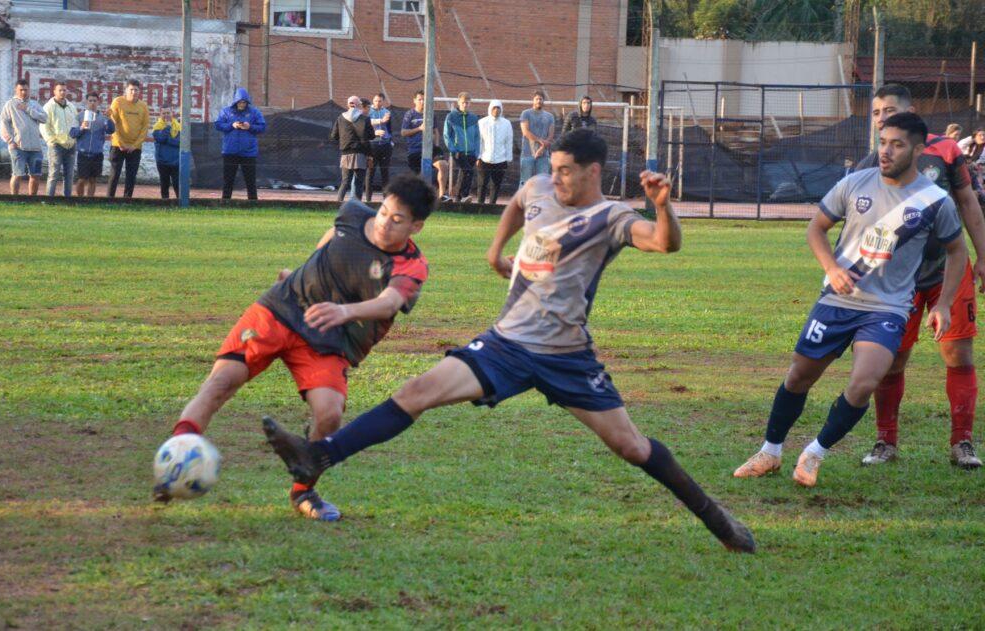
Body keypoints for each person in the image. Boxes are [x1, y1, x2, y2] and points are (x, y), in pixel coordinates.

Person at [262, 130, 756, 553]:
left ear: (593, 172)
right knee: (416, 393)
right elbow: (520, 203)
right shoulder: (541, 185)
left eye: (566, 170)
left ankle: (717, 519)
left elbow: (664, 242)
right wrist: (496, 250)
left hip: (567, 357)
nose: (555, 177)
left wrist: (664, 207)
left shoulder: (611, 217)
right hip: (505, 345)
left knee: (630, 446)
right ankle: (317, 457)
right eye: (553, 168)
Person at [154, 173, 437, 521]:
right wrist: (305, 271)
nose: (384, 223)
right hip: (282, 308)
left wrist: (343, 311)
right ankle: (174, 463)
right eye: (383, 211)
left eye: (397, 220)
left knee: (329, 415)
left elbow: (389, 303)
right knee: (221, 381)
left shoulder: (411, 265)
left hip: (329, 337)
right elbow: (334, 238)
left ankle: (303, 490)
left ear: (416, 227)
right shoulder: (352, 214)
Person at [733, 113, 970, 487]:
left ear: (919, 149)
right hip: (837, 302)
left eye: (897, 144)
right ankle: (770, 451)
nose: (886, 151)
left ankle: (814, 453)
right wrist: (831, 267)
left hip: (888, 309)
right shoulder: (855, 183)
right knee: (798, 377)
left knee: (864, 382)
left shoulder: (935, 200)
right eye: (883, 142)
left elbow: (958, 252)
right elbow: (816, 229)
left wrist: (942, 304)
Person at [852, 85, 985, 469]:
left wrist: (983, 255)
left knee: (958, 354)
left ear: (912, 113)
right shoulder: (869, 165)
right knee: (892, 359)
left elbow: (967, 201)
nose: (881, 117)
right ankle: (885, 442)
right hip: (897, 279)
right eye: (876, 112)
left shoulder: (945, 151)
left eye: (890, 110)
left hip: (948, 269)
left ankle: (963, 443)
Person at [215, 87, 266, 200]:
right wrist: (231, 125)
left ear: (247, 102)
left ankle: (253, 203)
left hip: (248, 153)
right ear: (235, 101)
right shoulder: (226, 111)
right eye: (240, 102)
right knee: (228, 180)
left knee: (250, 181)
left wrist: (250, 127)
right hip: (230, 151)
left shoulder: (254, 112)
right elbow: (218, 125)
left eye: (244, 102)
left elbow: (262, 126)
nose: (242, 104)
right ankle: (225, 203)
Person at [0, 78, 47, 196]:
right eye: (21, 90)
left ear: (29, 90)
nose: (24, 92)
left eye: (26, 90)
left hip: (35, 148)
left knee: (35, 175)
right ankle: (15, 199)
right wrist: (10, 141)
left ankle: (32, 200)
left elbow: (44, 118)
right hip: (18, 147)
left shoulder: (34, 105)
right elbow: (3, 123)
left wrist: (28, 109)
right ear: (16, 90)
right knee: (17, 174)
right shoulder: (10, 104)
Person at [400, 90, 449, 199]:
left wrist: (435, 145)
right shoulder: (409, 114)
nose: (422, 102)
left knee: (444, 165)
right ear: (414, 101)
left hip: (430, 148)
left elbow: (436, 131)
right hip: (415, 150)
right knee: (419, 179)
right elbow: (403, 132)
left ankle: (442, 195)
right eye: (420, 99)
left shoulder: (431, 114)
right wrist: (419, 128)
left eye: (424, 100)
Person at [107, 80, 150, 198]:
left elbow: (145, 127)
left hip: (135, 148)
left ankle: (127, 200)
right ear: (126, 90)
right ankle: (109, 199)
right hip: (118, 146)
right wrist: (121, 143)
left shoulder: (143, 106)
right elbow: (113, 123)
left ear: (139, 92)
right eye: (131, 89)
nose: (133, 92)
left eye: (136, 90)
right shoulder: (118, 102)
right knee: (114, 174)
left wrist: (135, 145)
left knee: (131, 175)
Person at [329, 95, 374, 202]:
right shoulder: (365, 119)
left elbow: (334, 136)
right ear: (359, 105)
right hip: (360, 154)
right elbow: (371, 136)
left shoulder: (340, 118)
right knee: (359, 183)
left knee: (345, 182)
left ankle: (338, 202)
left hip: (345, 153)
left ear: (347, 105)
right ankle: (357, 205)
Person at [70, 92, 115, 198]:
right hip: (83, 153)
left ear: (98, 102)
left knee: (93, 179)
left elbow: (111, 130)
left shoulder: (102, 118)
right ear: (86, 102)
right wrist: (81, 127)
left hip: (97, 153)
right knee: (81, 179)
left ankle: (90, 201)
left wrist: (109, 118)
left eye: (94, 101)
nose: (92, 103)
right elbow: (72, 133)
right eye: (90, 101)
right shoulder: (79, 116)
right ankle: (80, 200)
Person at [40, 81, 79, 198]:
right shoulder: (48, 107)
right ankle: (49, 199)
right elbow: (44, 126)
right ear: (54, 92)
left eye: (64, 90)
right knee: (53, 174)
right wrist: (51, 141)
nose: (62, 92)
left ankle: (67, 199)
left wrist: (74, 139)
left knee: (69, 175)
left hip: (70, 145)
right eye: (60, 90)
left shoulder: (71, 107)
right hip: (56, 145)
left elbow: (76, 123)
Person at [443, 92, 481, 202]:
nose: (465, 105)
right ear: (458, 102)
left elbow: (477, 136)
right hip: (458, 151)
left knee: (465, 173)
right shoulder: (451, 116)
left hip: (471, 152)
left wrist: (477, 152)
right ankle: (464, 195)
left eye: (467, 103)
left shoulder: (474, 118)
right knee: (468, 171)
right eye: (463, 102)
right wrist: (453, 150)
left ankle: (458, 198)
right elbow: (446, 135)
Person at [476, 99, 512, 204]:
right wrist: (478, 157)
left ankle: (492, 206)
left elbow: (509, 141)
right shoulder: (482, 122)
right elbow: (479, 141)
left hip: (501, 159)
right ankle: (480, 205)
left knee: (496, 185)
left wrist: (508, 158)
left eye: (498, 108)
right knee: (482, 184)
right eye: (494, 108)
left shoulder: (506, 123)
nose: (496, 110)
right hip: (484, 158)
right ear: (490, 109)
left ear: (501, 110)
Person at [519, 91, 555, 186]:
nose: (539, 101)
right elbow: (525, 132)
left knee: (543, 183)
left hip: (544, 155)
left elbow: (551, 136)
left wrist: (542, 148)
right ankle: (523, 201)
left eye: (541, 99)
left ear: (543, 101)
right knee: (525, 182)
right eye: (537, 99)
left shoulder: (550, 117)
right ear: (533, 101)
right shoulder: (526, 113)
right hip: (527, 154)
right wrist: (540, 140)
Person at [365, 93, 393, 203]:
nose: (377, 103)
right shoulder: (369, 111)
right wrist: (380, 122)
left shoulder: (387, 112)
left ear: (383, 102)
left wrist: (390, 141)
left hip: (385, 145)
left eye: (380, 101)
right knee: (370, 172)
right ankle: (368, 199)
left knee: (385, 173)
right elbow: (368, 123)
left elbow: (389, 127)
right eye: (375, 101)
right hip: (372, 146)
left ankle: (386, 199)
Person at [152, 105, 181, 200]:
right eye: (164, 113)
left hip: (176, 161)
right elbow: (161, 138)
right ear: (160, 114)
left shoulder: (179, 126)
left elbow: (180, 142)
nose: (166, 115)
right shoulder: (157, 127)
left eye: (168, 113)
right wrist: (168, 127)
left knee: (177, 183)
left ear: (172, 113)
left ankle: (180, 202)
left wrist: (168, 140)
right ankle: (165, 203)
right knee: (164, 183)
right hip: (162, 161)